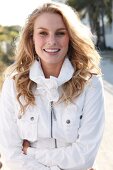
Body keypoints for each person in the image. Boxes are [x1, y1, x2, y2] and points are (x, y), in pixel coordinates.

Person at [0, 1, 105, 170]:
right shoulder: (13, 85)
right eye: (43, 33)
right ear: (31, 37)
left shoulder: (90, 84)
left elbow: (85, 156)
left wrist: (32, 153)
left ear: (70, 37)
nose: (51, 41)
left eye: (60, 33)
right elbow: (11, 156)